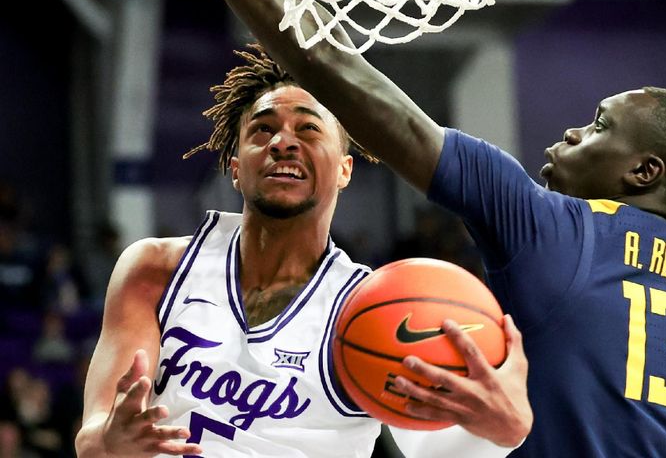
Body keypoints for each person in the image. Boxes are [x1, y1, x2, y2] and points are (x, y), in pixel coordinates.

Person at [113, 0, 666, 456]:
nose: (570, 134)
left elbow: (326, 60)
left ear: (644, 172)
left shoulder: (552, 227)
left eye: (598, 126)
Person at [75, 46, 532, 457]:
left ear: (344, 170)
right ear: (236, 168)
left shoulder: (372, 308)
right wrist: (112, 440)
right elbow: (93, 441)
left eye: (308, 129)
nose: (282, 142)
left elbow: (450, 449)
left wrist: (504, 430)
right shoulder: (156, 269)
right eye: (263, 129)